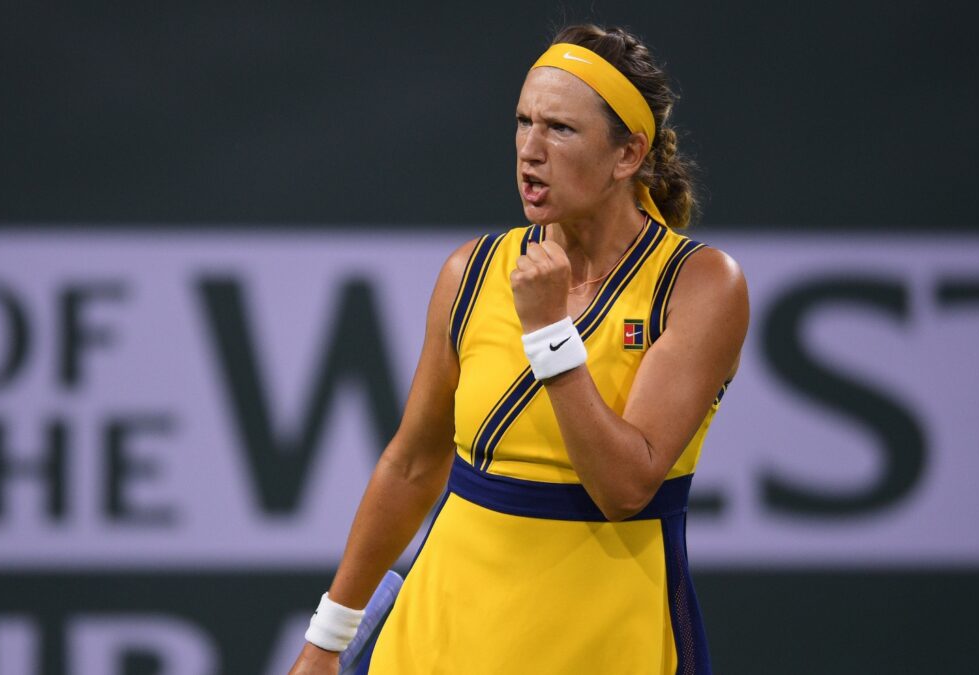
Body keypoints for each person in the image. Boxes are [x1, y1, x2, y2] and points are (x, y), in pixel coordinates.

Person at [289, 23, 748, 675]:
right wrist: (326, 639)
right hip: (434, 640)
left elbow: (626, 486)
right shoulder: (469, 272)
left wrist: (550, 334)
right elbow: (413, 465)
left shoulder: (701, 285)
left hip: (603, 643)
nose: (530, 150)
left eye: (560, 129)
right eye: (523, 122)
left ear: (627, 155)